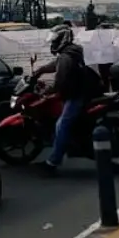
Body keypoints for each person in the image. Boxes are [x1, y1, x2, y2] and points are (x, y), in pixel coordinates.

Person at [32, 23, 91, 173]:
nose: (53, 43)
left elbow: (60, 80)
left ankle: (53, 161)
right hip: (79, 92)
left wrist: (47, 90)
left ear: (63, 39)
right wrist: (40, 70)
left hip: (75, 95)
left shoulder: (67, 55)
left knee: (61, 125)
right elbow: (56, 65)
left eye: (55, 40)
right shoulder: (71, 52)